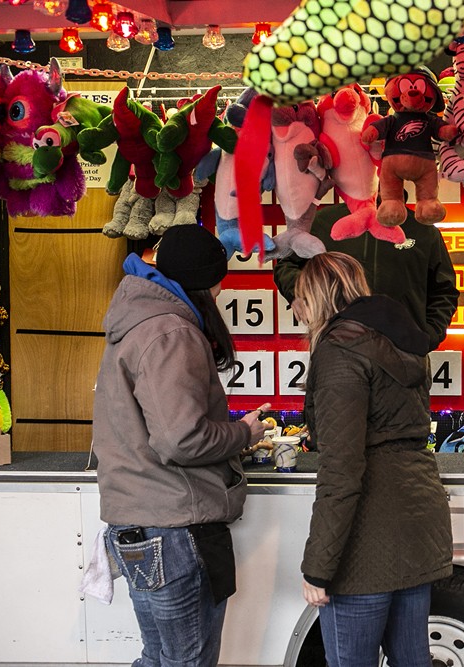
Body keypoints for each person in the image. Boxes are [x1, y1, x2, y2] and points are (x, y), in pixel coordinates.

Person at [92, 224, 270, 667]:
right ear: (205, 282)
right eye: (218, 281)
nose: (221, 291)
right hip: (174, 529)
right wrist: (244, 433)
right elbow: (181, 439)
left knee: (160, 658)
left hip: (139, 524)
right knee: (186, 661)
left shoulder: (135, 320)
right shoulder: (171, 332)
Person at [294, 252, 453, 667]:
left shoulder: (339, 350)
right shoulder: (404, 338)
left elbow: (341, 469)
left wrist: (318, 567)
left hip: (366, 544)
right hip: (419, 524)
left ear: (317, 298)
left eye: (301, 300)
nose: (297, 311)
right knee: (412, 660)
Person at [273, 202, 460, 351]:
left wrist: (429, 336)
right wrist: (299, 293)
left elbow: (444, 290)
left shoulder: (422, 230)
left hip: (405, 354)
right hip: (337, 349)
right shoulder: (324, 221)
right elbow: (287, 264)